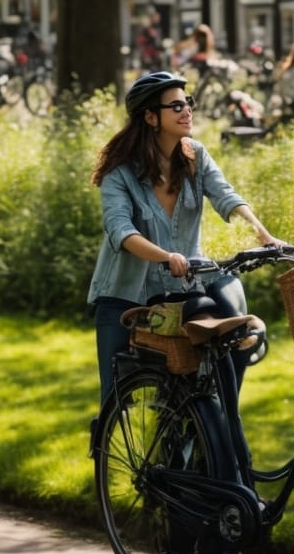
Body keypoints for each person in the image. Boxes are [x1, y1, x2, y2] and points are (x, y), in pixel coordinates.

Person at [87, 71, 278, 404]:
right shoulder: (120, 174)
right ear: (150, 117)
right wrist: (165, 256)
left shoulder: (195, 156)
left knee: (235, 334)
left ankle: (212, 427)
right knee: (115, 399)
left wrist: (264, 235)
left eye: (187, 103)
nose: (186, 110)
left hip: (184, 287)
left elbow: (226, 196)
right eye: (175, 106)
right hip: (125, 295)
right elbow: (121, 231)